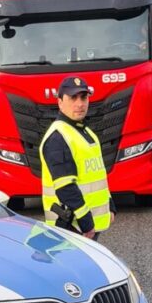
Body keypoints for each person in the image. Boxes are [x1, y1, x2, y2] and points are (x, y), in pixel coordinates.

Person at [38, 75, 112, 240]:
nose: (80, 104)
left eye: (83, 97)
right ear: (60, 102)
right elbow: (65, 187)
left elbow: (97, 175)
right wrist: (86, 222)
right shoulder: (58, 137)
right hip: (72, 227)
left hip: (87, 225)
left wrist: (110, 206)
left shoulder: (85, 131)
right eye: (73, 98)